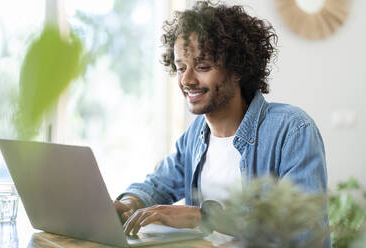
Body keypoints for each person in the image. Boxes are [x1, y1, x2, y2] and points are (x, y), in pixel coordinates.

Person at [114, 1, 330, 246]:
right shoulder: (195, 136)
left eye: (202, 66)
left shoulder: (292, 130)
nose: (186, 79)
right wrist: (129, 203)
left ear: (237, 68)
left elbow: (302, 231)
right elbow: (159, 183)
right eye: (181, 67)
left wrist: (205, 216)